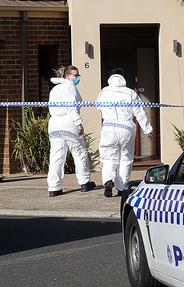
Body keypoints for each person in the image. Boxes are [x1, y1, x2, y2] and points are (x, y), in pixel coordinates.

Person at [96, 74, 152, 197]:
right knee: (125, 158)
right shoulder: (130, 93)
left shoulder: (104, 92)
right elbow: (139, 113)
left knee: (108, 157)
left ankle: (108, 180)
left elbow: (98, 108)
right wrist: (148, 129)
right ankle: (121, 188)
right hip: (126, 127)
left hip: (109, 127)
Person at [47, 65, 96, 197]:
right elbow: (72, 107)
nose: (77, 77)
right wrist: (78, 123)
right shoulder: (70, 87)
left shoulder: (55, 89)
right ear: (67, 76)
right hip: (69, 123)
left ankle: (54, 187)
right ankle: (85, 182)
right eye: (75, 75)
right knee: (79, 153)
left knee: (56, 156)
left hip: (55, 124)